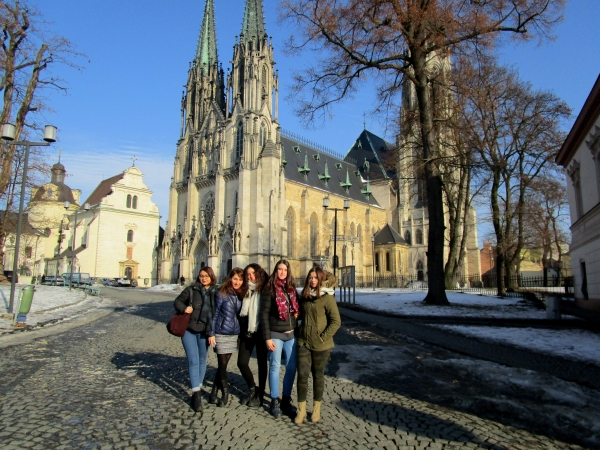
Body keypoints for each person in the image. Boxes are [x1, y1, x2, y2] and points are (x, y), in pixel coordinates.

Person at [294, 267, 341, 424]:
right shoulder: (305, 296)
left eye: (315, 277)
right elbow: (302, 314)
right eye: (310, 277)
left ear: (320, 279)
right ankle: (301, 409)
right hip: (304, 341)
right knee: (302, 374)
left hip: (321, 344)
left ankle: (316, 409)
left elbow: (336, 321)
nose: (312, 280)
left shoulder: (327, 297)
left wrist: (323, 337)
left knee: (318, 375)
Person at [173, 267, 217, 414]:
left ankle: (197, 385)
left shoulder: (216, 292)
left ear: (211, 277)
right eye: (201, 276)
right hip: (189, 330)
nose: (203, 278)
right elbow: (177, 302)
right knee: (193, 360)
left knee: (202, 359)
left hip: (205, 331)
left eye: (206, 276)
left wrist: (212, 332)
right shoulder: (191, 290)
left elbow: (217, 314)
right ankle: (196, 393)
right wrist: (184, 308)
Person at [261, 259, 299, 417]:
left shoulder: (291, 288)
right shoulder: (270, 289)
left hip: (291, 334)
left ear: (288, 272)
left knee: (291, 367)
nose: (282, 272)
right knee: (275, 366)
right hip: (275, 333)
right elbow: (264, 314)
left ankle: (285, 399)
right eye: (279, 269)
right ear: (275, 270)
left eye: (285, 269)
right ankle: (274, 399)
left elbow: (297, 308)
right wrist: (267, 337)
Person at [209, 267, 244, 407]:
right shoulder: (221, 293)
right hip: (221, 332)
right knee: (222, 364)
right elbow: (215, 314)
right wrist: (211, 333)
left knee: (223, 365)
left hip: (233, 333)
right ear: (230, 278)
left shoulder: (241, 294)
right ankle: (225, 393)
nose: (237, 282)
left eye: (240, 279)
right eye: (235, 279)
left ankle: (213, 391)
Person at [237, 263, 268, 407]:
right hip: (248, 331)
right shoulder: (245, 289)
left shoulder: (266, 288)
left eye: (253, 273)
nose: (250, 277)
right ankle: (252, 389)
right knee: (242, 362)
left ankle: (260, 394)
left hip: (261, 331)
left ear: (259, 272)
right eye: (248, 274)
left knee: (262, 364)